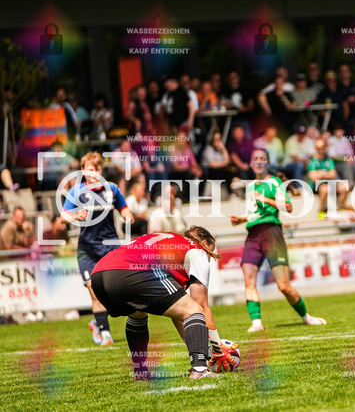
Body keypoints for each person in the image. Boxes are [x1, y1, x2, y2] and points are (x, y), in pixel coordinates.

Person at [91, 226, 233, 380]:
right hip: (132, 270)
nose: (209, 259)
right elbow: (200, 306)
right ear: (204, 243)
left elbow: (179, 312)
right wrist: (217, 348)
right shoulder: (197, 250)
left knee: (138, 313)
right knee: (194, 309)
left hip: (100, 274)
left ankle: (141, 372)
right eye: (210, 254)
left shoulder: (171, 240)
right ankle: (200, 370)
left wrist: (201, 348)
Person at [230, 148, 326, 332]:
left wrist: (264, 198)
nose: (259, 161)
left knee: (284, 286)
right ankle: (256, 323)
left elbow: (288, 207)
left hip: (271, 233)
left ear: (267, 162)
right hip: (253, 235)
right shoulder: (250, 186)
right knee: (249, 279)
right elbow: (256, 213)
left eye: (262, 158)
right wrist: (242, 219)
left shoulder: (274, 182)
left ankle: (306, 317)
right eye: (255, 158)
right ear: (251, 163)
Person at [62, 152, 134, 346]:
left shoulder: (112, 189)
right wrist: (75, 215)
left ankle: (98, 320)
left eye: (97, 169)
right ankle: (105, 332)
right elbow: (63, 217)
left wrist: (128, 215)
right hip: (88, 250)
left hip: (110, 247)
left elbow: (124, 208)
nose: (94, 173)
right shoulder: (76, 191)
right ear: (83, 171)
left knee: (117, 290)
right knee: (94, 292)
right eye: (90, 169)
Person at [307, 138, 348, 217]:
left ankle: (340, 208)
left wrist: (320, 174)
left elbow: (333, 174)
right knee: (325, 188)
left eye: (321, 147)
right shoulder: (312, 160)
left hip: (330, 183)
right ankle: (321, 210)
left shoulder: (329, 160)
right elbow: (313, 178)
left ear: (325, 147)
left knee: (345, 186)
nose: (319, 150)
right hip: (316, 186)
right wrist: (327, 174)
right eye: (317, 148)